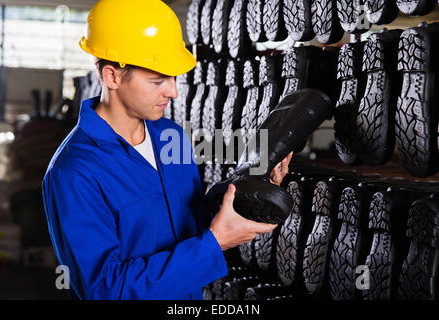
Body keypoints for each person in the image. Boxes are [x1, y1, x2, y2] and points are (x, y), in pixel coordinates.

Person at [42, 0, 292, 300]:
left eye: (173, 78)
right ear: (112, 77)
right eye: (158, 80)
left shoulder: (169, 135)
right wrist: (215, 243)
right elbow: (104, 290)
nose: (173, 92)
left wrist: (247, 194)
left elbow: (190, 219)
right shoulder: (75, 171)